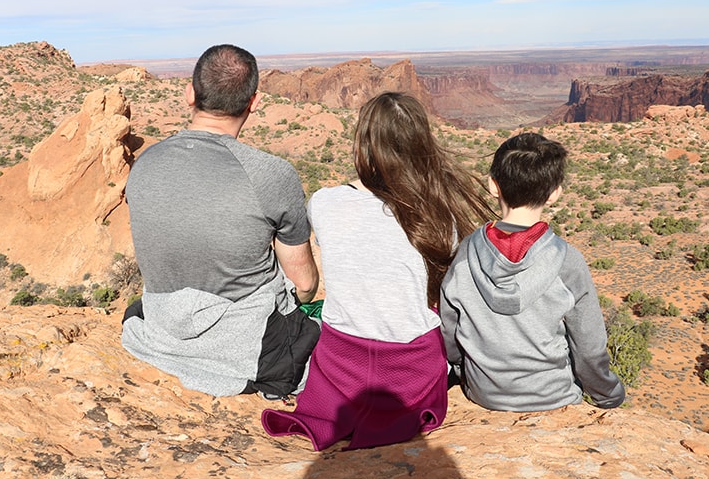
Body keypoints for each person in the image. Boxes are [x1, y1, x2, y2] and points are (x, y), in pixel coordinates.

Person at [261, 92, 494, 450]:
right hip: (412, 370)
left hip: (341, 368)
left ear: (364, 144)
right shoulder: (439, 215)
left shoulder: (325, 203)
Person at [121, 44, 320, 398]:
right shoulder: (272, 174)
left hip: (161, 330)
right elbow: (303, 284)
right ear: (254, 102)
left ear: (190, 94)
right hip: (252, 351)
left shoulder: (146, 164)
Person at [440, 132, 625, 412]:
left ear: (493, 185)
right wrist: (608, 395)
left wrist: (459, 368)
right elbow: (589, 349)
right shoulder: (568, 261)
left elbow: (449, 329)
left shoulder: (467, 253)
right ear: (554, 194)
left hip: (484, 394)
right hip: (554, 398)